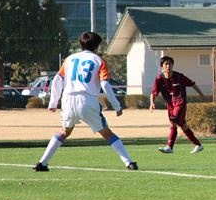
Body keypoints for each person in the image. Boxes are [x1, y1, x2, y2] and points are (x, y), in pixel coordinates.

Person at [33, 31, 138, 171]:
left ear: (81, 44)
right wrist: (117, 105)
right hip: (87, 99)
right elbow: (105, 84)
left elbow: (58, 79)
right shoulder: (99, 61)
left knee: (64, 132)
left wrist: (53, 102)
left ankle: (42, 163)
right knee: (107, 133)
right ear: (97, 46)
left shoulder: (69, 59)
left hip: (68, 99)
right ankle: (129, 162)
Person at [150, 56, 206, 154]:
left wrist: (201, 94)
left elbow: (192, 83)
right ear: (162, 66)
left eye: (170, 64)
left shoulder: (179, 76)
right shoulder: (159, 79)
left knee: (173, 121)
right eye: (165, 64)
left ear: (172, 65)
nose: (168, 66)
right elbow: (154, 92)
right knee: (182, 125)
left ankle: (169, 147)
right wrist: (152, 102)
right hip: (170, 105)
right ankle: (198, 145)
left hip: (180, 103)